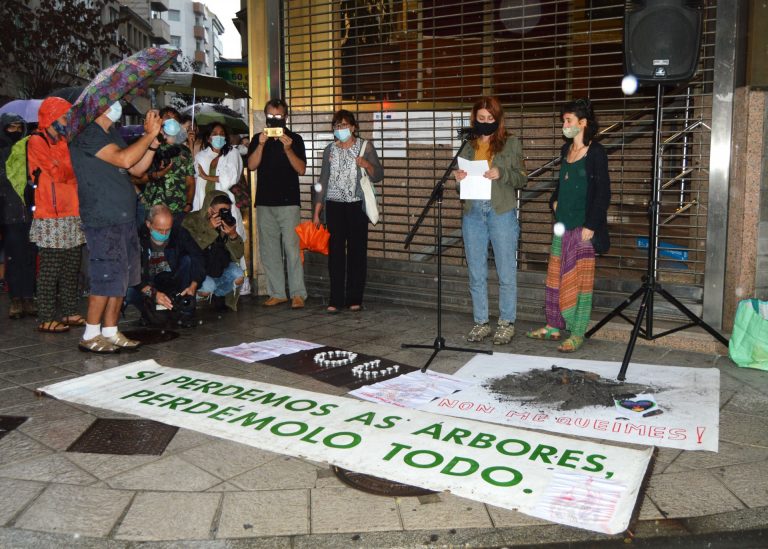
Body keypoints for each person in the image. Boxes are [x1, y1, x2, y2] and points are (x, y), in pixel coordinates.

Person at [69, 102, 163, 353]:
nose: (116, 106)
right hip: (103, 216)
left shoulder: (111, 133)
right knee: (106, 274)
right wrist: (149, 134)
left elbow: (135, 167)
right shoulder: (86, 133)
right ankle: (90, 333)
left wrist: (152, 144)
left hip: (123, 217)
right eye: (111, 102)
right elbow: (124, 157)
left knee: (121, 276)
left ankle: (110, 330)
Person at [526, 98, 611, 352]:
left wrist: (592, 224)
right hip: (562, 226)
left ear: (583, 123)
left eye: (568, 120)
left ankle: (576, 331)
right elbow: (562, 182)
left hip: (582, 228)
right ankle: (553, 325)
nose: (564, 125)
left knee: (579, 284)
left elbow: (603, 192)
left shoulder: (596, 152)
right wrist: (553, 201)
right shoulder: (566, 150)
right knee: (555, 278)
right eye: (563, 120)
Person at [454, 96, 527, 344]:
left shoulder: (511, 143)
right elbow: (459, 183)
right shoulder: (467, 145)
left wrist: (502, 172)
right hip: (473, 212)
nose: (485, 122)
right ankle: (481, 321)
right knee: (476, 272)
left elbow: (521, 178)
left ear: (498, 119)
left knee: (506, 271)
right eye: (481, 118)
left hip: (500, 211)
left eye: (490, 118)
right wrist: (459, 178)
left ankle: (506, 322)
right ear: (474, 118)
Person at [312, 109, 383, 313]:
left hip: (356, 205)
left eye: (344, 125)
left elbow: (378, 174)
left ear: (353, 127)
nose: (340, 129)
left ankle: (355, 298)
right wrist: (317, 211)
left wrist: (367, 164)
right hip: (334, 205)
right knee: (335, 253)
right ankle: (335, 299)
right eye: (337, 126)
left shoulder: (364, 146)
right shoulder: (329, 150)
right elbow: (322, 181)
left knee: (357, 252)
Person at [27, 97, 86, 333]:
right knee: (50, 268)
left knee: (72, 266)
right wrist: (68, 171)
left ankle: (70, 311)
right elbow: (58, 172)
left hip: (72, 210)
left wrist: (67, 170)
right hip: (50, 214)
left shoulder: (65, 141)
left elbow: (70, 171)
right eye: (64, 117)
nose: (67, 122)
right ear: (51, 117)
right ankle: (47, 317)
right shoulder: (36, 140)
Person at [247, 98, 307, 309]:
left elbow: (301, 169)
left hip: (289, 202)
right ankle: (277, 292)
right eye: (271, 116)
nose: (274, 121)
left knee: (292, 249)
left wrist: (289, 149)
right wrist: (261, 144)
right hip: (264, 202)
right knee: (269, 249)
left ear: (286, 117)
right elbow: (252, 165)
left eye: (278, 116)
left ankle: (298, 293)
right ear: (265, 117)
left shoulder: (295, 139)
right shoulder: (257, 138)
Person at [126, 204, 205, 327]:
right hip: (147, 285)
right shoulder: (137, 238)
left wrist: (194, 284)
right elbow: (133, 273)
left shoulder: (179, 233)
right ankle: (147, 309)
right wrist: (153, 294)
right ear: (149, 224)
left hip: (172, 282)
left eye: (167, 229)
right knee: (127, 290)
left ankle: (183, 311)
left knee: (188, 260)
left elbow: (198, 257)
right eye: (159, 230)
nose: (164, 233)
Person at [0, 113, 36, 319]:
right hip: (9, 213)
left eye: (17, 127)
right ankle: (16, 299)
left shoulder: (27, 148)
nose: (14, 131)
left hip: (29, 213)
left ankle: (28, 297)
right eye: (10, 128)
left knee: (29, 256)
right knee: (14, 258)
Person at [183, 190, 244, 311]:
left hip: (219, 268)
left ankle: (219, 294)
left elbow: (238, 254)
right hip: (198, 271)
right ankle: (195, 295)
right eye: (222, 211)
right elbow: (189, 248)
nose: (225, 214)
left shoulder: (226, 222)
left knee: (238, 275)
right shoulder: (192, 220)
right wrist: (209, 228)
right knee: (208, 287)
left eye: (227, 211)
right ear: (210, 209)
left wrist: (233, 236)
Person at [192, 122, 245, 240]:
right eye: (215, 133)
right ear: (208, 138)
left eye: (222, 134)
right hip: (205, 203)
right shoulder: (201, 156)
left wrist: (207, 177)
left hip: (225, 203)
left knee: (227, 238)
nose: (219, 136)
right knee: (205, 238)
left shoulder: (232, 153)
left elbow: (230, 178)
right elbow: (196, 175)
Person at [141, 117, 195, 221]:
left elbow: (190, 181)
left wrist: (189, 203)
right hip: (154, 205)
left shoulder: (185, 151)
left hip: (178, 207)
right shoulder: (152, 148)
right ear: (161, 130)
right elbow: (138, 176)